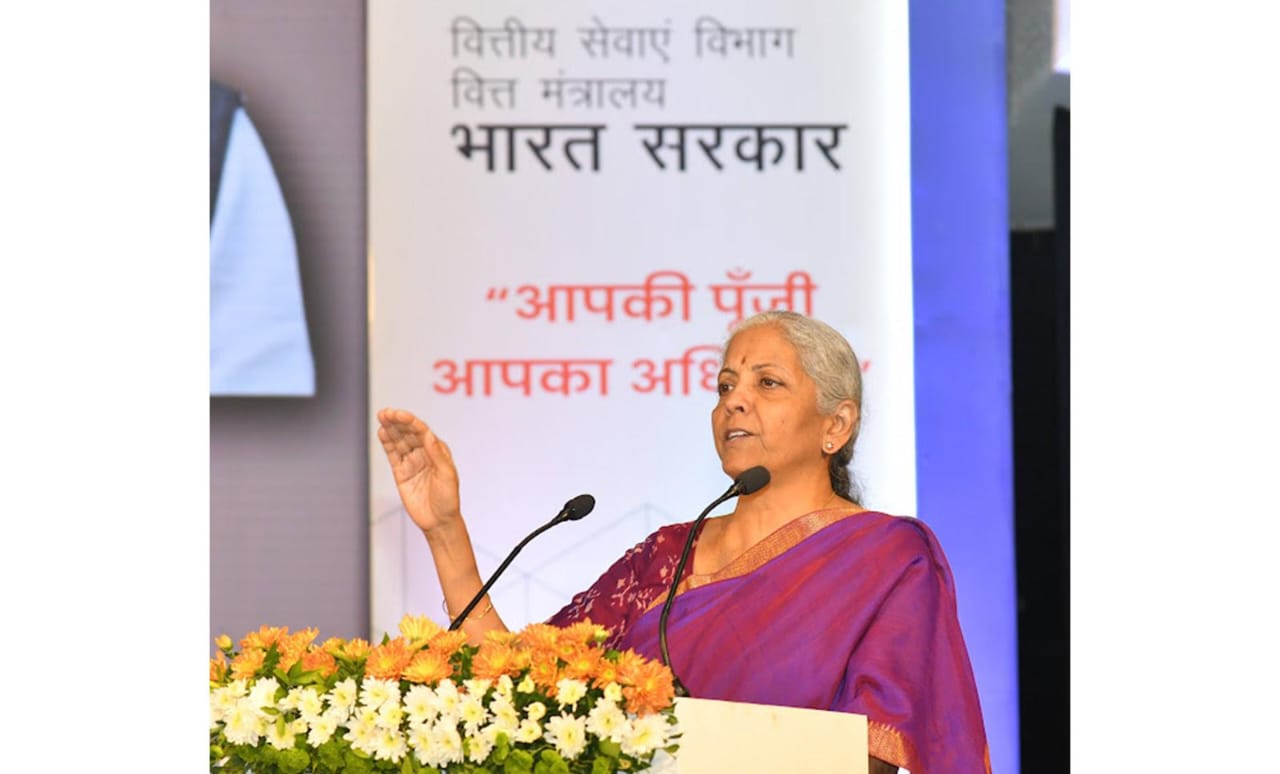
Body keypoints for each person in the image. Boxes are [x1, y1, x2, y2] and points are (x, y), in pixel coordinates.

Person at [377, 310, 990, 774]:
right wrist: (445, 529)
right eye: (725, 386)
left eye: (768, 383)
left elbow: (871, 752)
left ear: (836, 424)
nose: (734, 401)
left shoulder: (886, 557)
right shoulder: (665, 557)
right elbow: (525, 693)